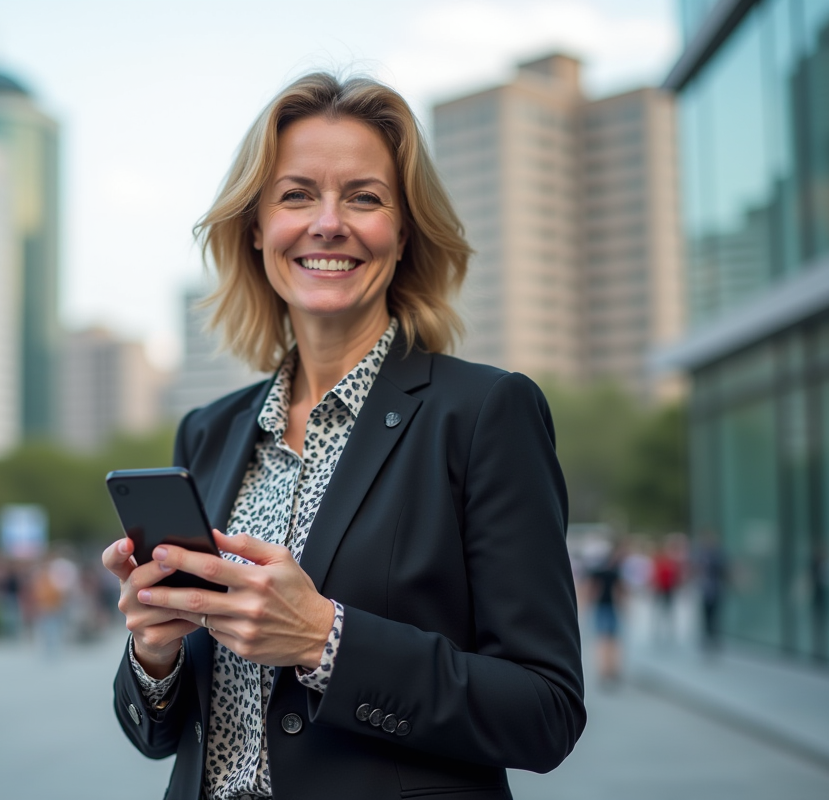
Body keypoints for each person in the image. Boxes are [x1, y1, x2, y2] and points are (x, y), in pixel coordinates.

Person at [102, 72, 585, 800]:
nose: (329, 223)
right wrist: (154, 650)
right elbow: (162, 735)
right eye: (297, 194)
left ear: (404, 231)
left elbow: (545, 713)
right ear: (258, 227)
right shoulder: (207, 432)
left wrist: (325, 639)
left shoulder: (486, 412)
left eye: (364, 196)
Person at [587, 541, 626, 687]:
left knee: (604, 640)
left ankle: (605, 670)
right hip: (609, 608)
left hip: (602, 607)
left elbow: (592, 590)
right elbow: (619, 591)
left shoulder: (598, 572)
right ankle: (610, 670)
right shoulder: (615, 572)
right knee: (611, 640)